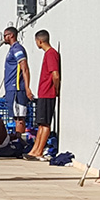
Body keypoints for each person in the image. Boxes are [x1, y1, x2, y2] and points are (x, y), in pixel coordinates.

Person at [26, 30, 61, 161]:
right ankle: (34, 150)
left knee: (45, 123)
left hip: (48, 93)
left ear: (40, 41)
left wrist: (56, 89)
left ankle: (39, 151)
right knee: (40, 123)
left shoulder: (51, 54)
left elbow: (55, 75)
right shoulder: (48, 54)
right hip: (43, 93)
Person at [2, 26, 33, 135]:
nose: (4, 37)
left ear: (11, 35)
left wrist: (27, 88)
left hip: (17, 88)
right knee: (15, 116)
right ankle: (16, 139)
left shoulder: (17, 49)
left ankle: (19, 141)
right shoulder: (12, 50)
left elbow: (24, 68)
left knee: (20, 117)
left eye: (5, 35)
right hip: (11, 88)